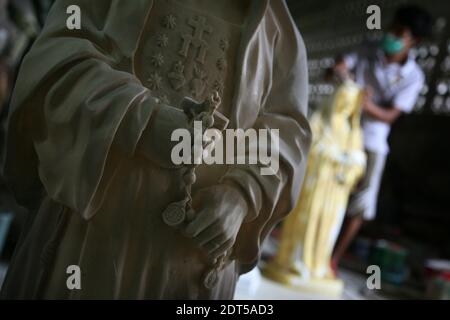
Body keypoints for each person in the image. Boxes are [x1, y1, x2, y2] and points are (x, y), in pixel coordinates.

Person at [0, 0, 311, 299]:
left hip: (193, 262)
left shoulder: (277, 32)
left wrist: (243, 194)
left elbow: (286, 131)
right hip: (92, 237)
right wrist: (141, 119)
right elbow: (54, 61)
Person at [331, 5, 433, 271]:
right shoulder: (369, 47)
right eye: (393, 27)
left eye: (400, 32)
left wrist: (364, 102)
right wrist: (341, 71)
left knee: (361, 203)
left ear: (415, 42)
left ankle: (334, 258)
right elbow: (341, 66)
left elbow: (390, 116)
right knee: (324, 184)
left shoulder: (413, 76)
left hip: (373, 140)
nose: (392, 34)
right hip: (341, 129)